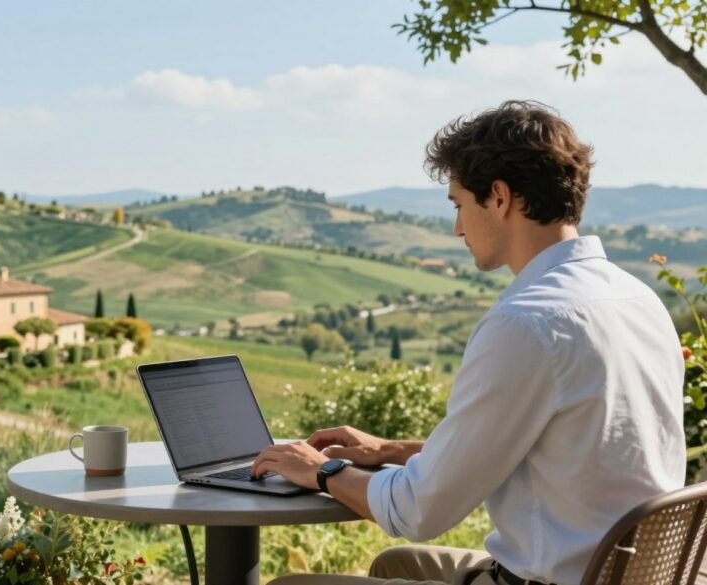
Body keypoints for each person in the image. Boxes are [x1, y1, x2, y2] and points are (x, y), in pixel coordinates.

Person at [252, 100, 685, 585]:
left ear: (499, 198)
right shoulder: (637, 298)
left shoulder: (526, 323)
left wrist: (321, 470)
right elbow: (554, 447)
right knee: (398, 566)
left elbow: (418, 511)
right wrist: (392, 449)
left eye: (459, 204)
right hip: (636, 573)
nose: (457, 227)